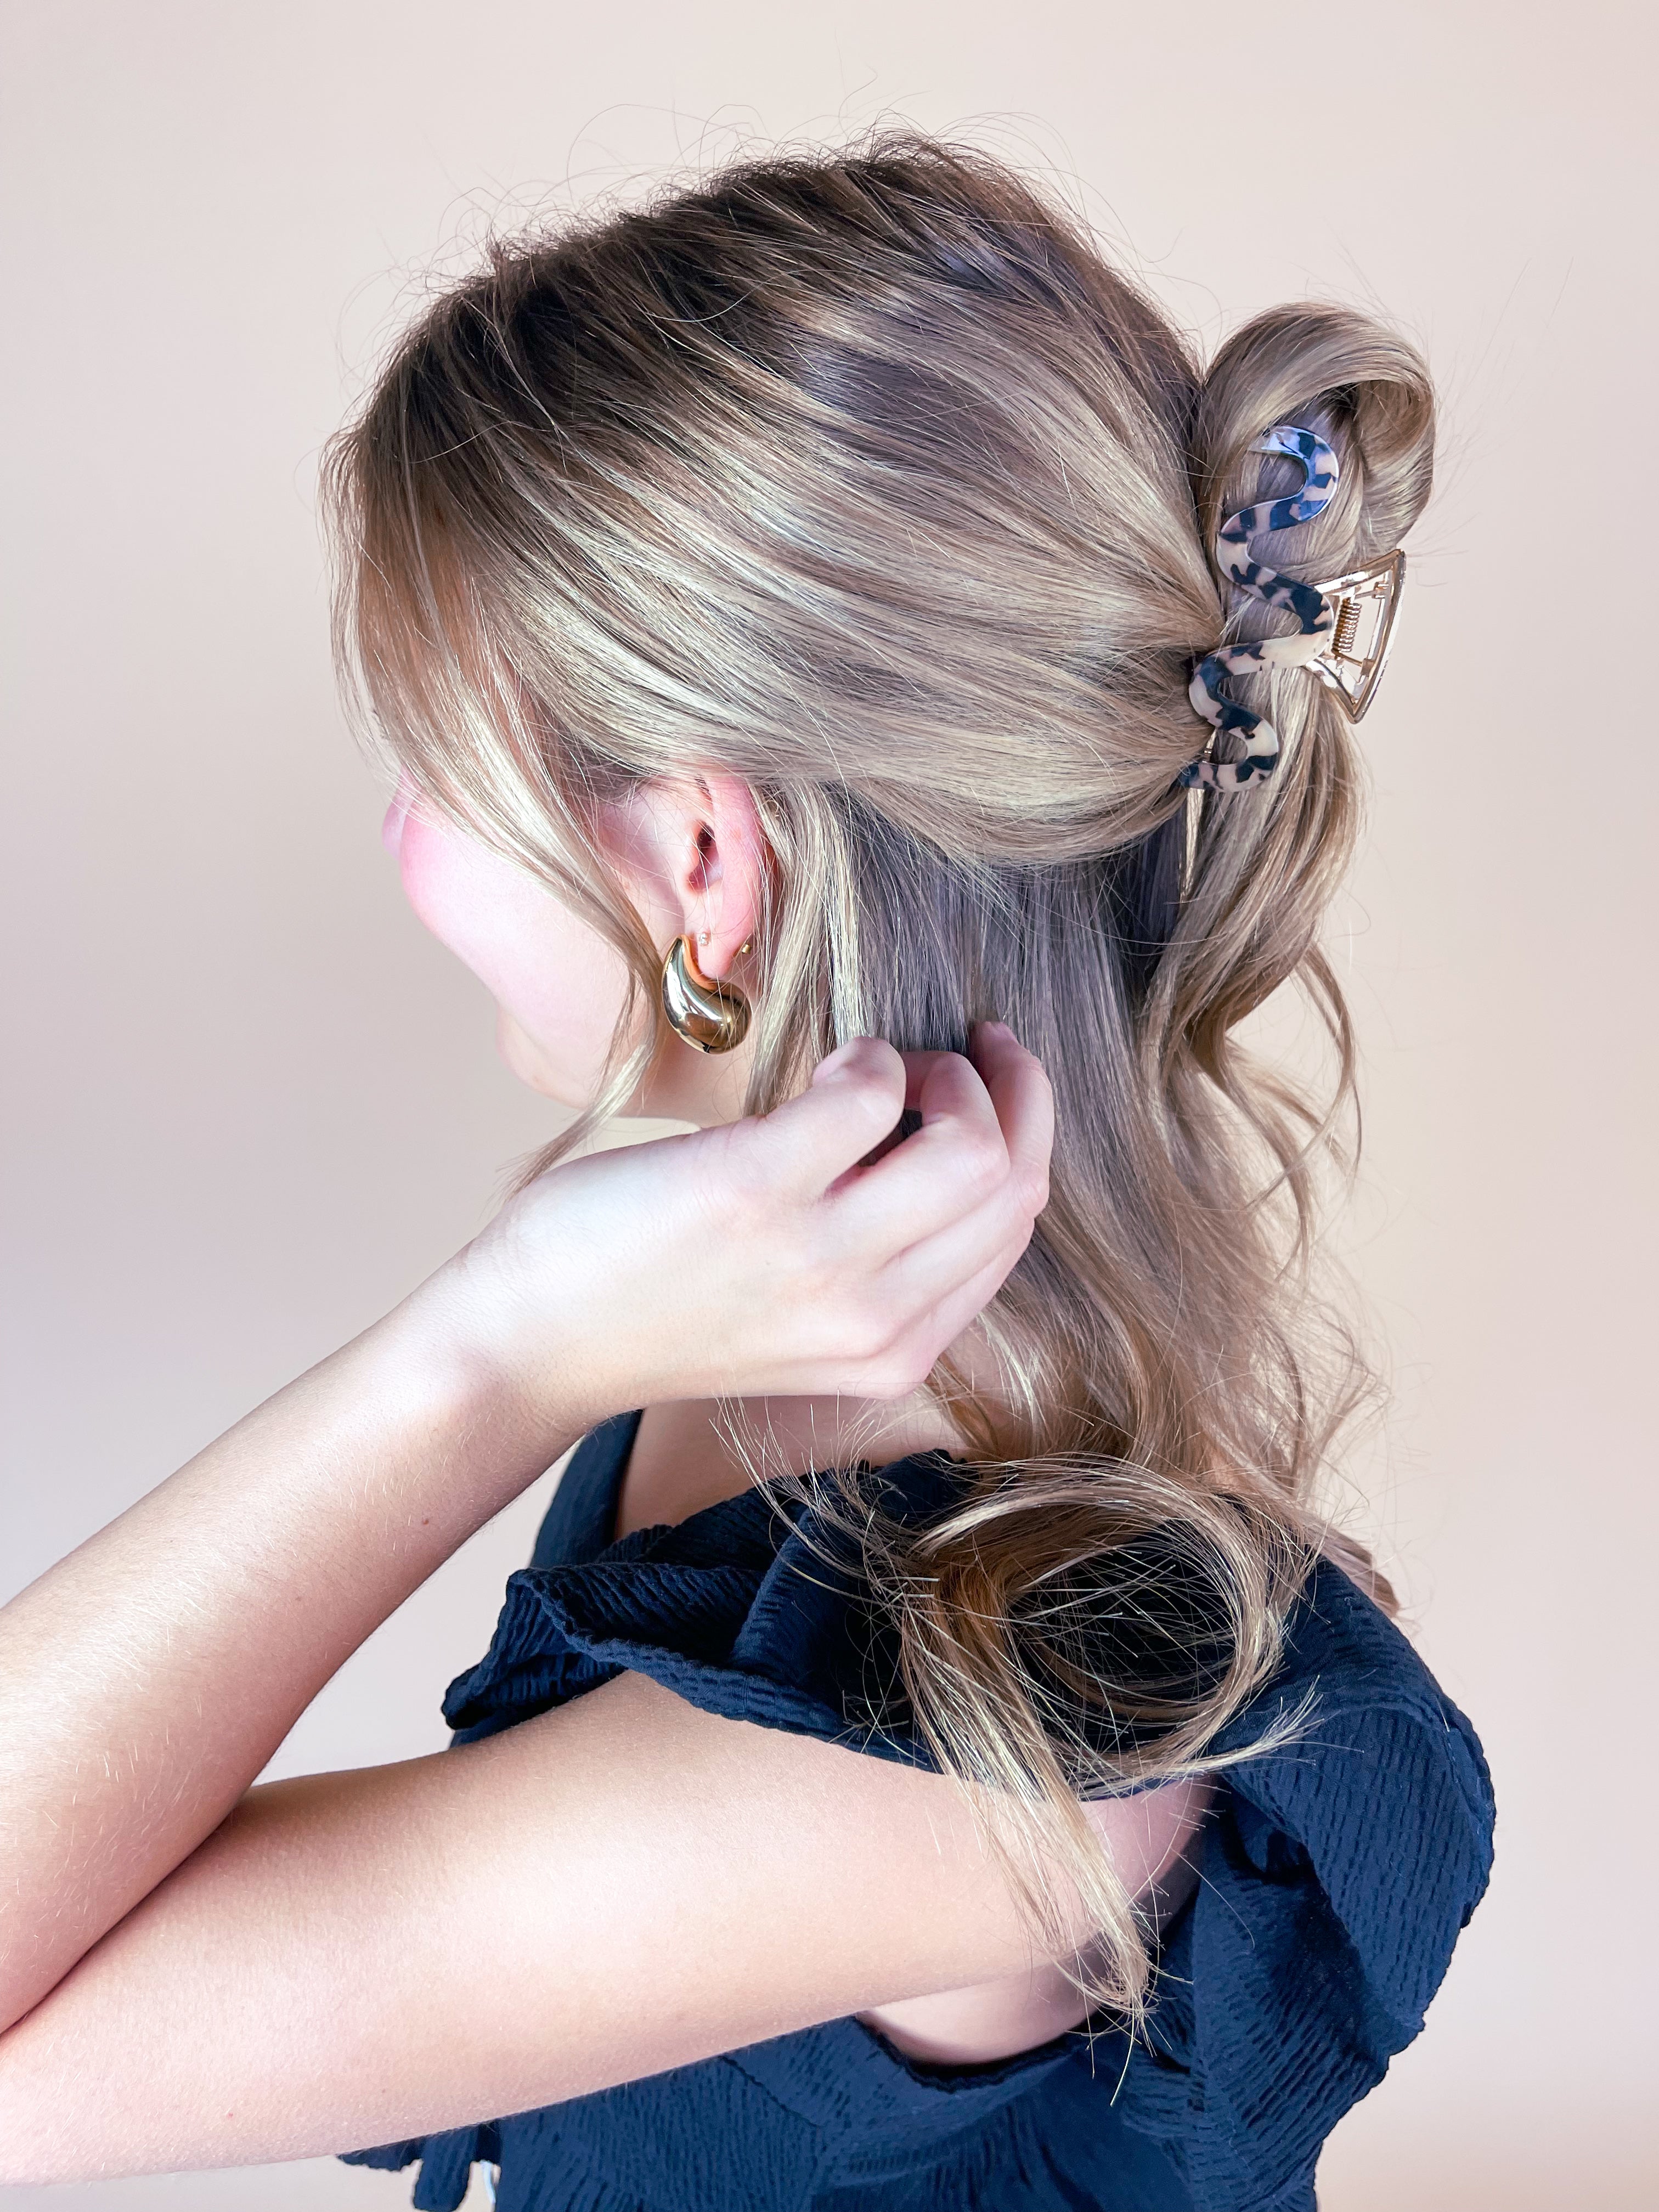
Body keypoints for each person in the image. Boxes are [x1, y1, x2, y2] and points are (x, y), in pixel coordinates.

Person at [0, 136, 1493, 2212]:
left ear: (703, 862)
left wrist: (484, 1355)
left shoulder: (943, 1767)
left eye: (439, 766)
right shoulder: (822, 1334)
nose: (401, 842)